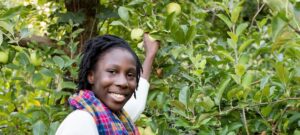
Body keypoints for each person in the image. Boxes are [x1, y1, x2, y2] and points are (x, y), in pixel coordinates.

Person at [55, 34, 159, 135]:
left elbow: (137, 103)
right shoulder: (81, 122)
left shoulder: (117, 119)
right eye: (112, 72)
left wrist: (150, 55)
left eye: (130, 75)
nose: (123, 82)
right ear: (91, 76)